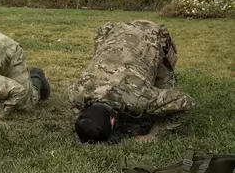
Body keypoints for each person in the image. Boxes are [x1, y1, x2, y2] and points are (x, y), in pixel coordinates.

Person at [68, 20, 196, 143]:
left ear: (113, 121)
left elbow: (185, 103)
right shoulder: (78, 92)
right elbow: (76, 108)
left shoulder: (139, 97)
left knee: (165, 98)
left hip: (151, 34)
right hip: (114, 31)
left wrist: (154, 134)